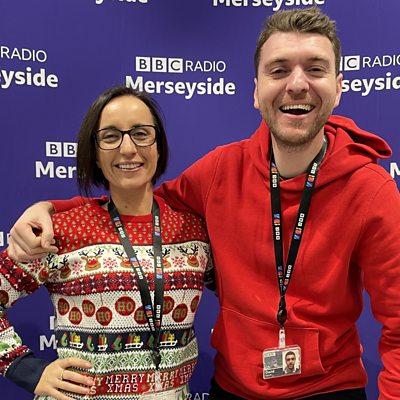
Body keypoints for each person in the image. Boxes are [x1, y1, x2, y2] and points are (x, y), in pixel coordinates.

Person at [7, 6, 400, 400]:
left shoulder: (372, 191)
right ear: (256, 90)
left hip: (328, 389)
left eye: (315, 69)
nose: (297, 83)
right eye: (279, 70)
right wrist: (52, 209)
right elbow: (136, 200)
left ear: (339, 87)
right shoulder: (220, 171)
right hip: (232, 390)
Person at [0, 86, 212, 400]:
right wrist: (26, 369)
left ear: (158, 146)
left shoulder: (193, 231)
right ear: (96, 155)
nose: (128, 148)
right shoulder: (60, 231)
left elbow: (244, 292)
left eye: (141, 133)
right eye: (111, 136)